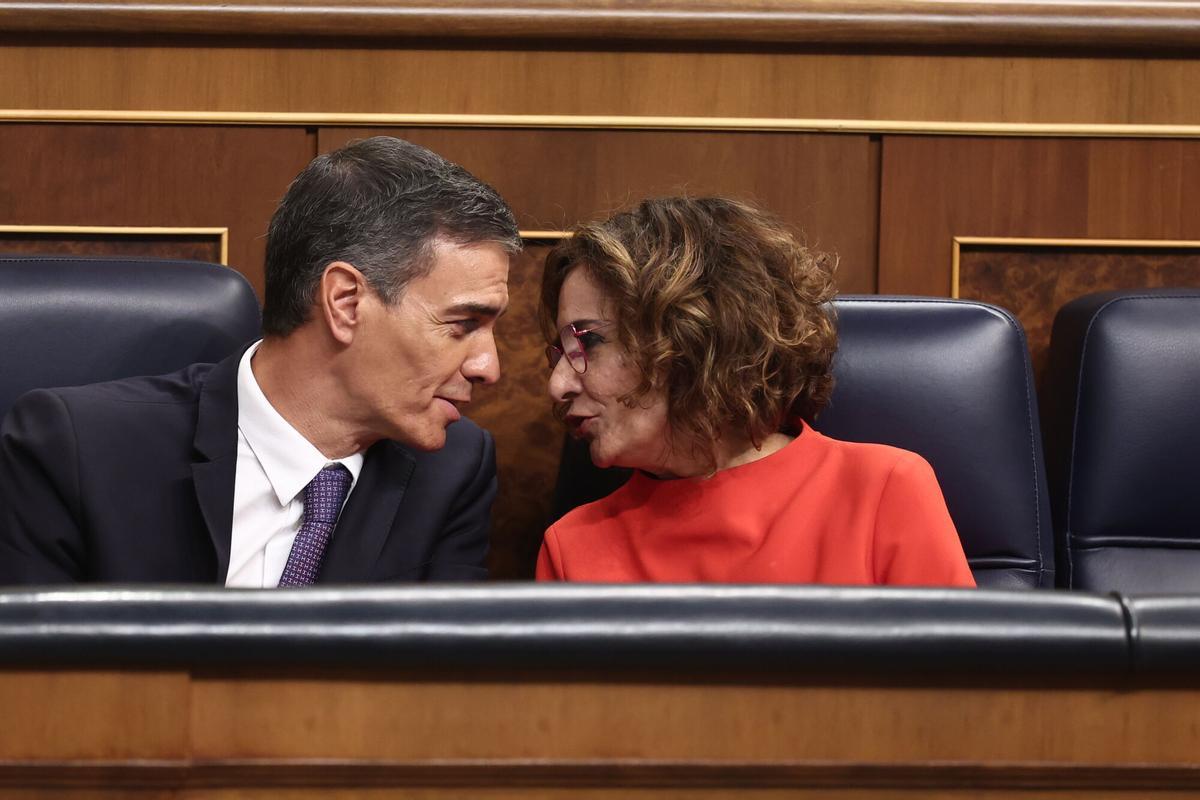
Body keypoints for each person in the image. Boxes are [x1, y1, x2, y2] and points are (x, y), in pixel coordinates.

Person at [0, 136, 521, 585]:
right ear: (345, 303)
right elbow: (34, 686)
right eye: (462, 325)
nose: (487, 367)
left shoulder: (452, 468)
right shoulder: (78, 449)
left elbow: (438, 686)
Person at [535, 197, 975, 586]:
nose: (558, 385)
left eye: (587, 341)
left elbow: (962, 679)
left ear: (696, 334)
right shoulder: (571, 548)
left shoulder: (884, 491)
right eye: (560, 353)